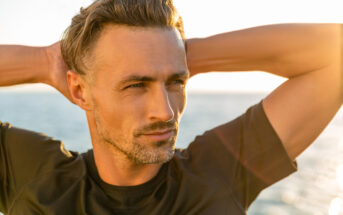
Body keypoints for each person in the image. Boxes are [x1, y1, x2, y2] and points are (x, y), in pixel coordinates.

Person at [0, 0, 342, 214]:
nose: (164, 112)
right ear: (79, 90)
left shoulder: (219, 172)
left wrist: (184, 53)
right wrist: (44, 62)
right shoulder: (32, 176)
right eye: (136, 85)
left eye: (176, 82)